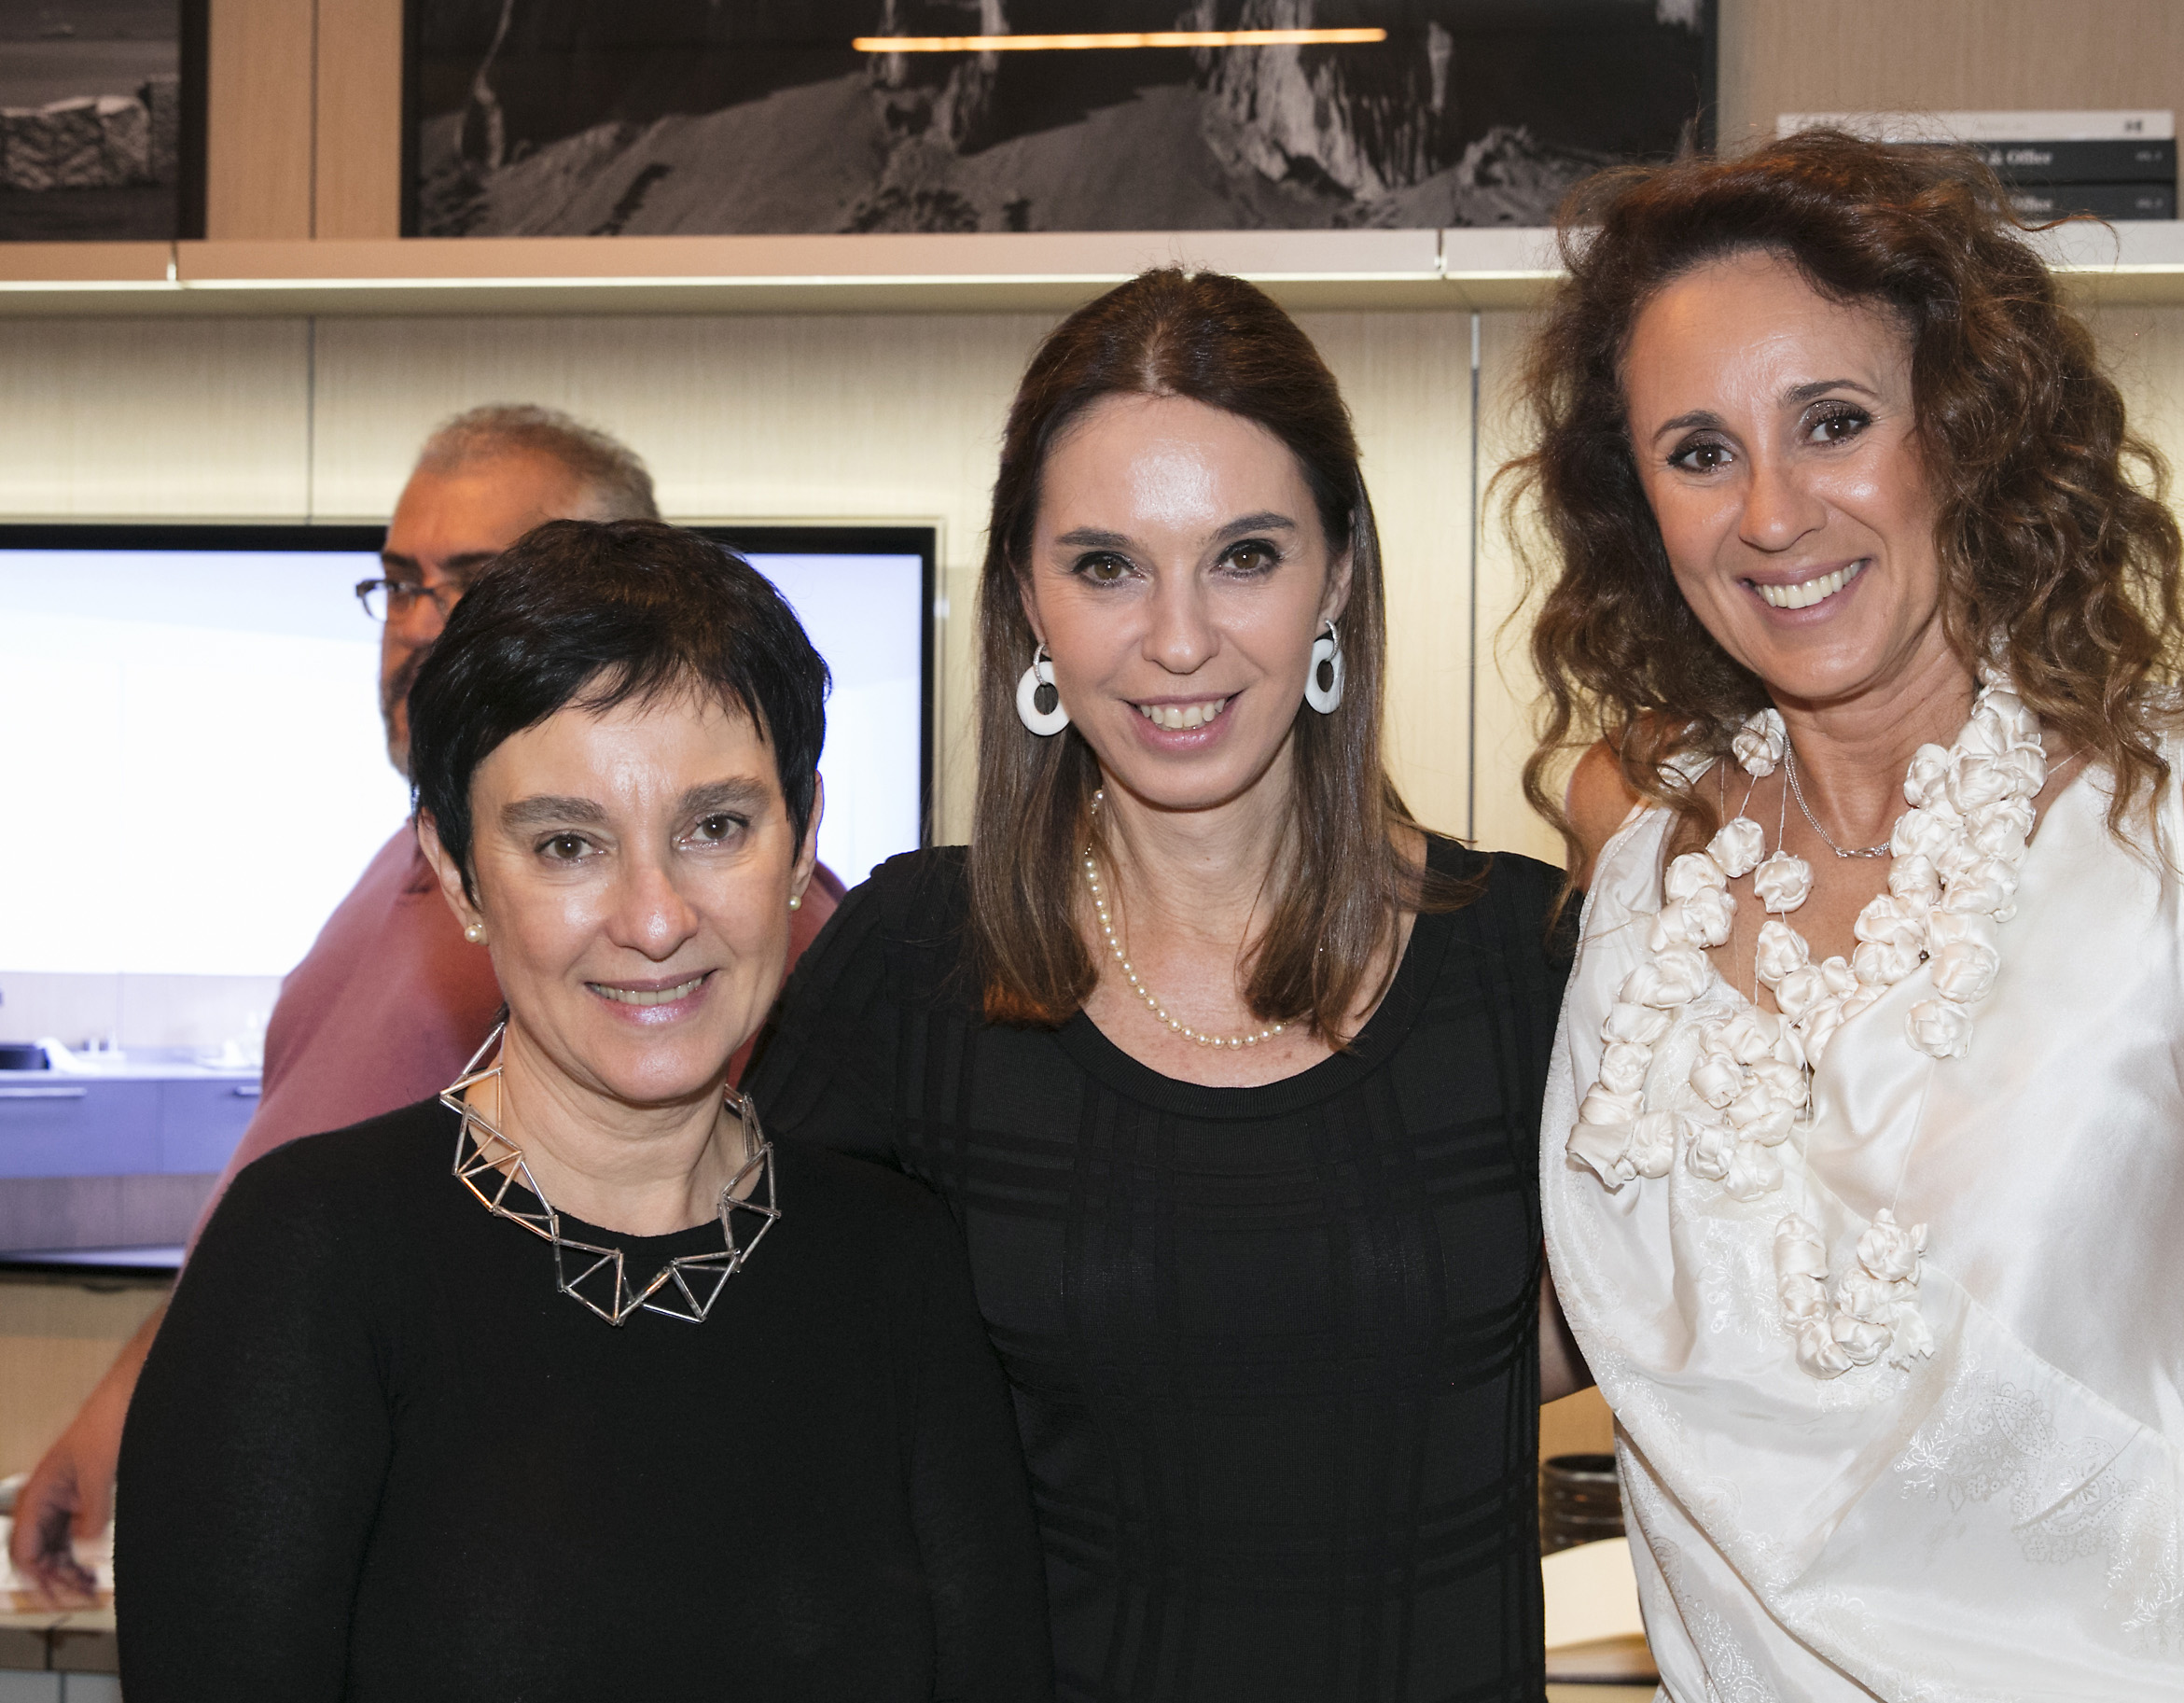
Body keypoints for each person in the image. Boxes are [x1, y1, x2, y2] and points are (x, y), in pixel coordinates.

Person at [1516, 132, 2184, 1699]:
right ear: (1633, 499)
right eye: (1697, 451)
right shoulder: (1638, 859)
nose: (1771, 512)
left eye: (1833, 423)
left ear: (1963, 434)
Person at [747, 269, 1582, 1703]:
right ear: (1026, 595)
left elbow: (1695, 1337)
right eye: (1107, 564)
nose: (1178, 639)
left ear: (1337, 576)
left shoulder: (1533, 957)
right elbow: (737, 1397)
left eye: (1244, 555)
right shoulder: (915, 964)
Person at [115, 522, 1051, 1702]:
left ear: (804, 833)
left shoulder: (896, 1259)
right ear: (455, 872)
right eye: (568, 844)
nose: (654, 919)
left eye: (716, 827)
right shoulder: (315, 1255)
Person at [6, 404, 843, 1601]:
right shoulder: (395, 880)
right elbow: (289, 1197)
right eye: (400, 583)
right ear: (459, 867)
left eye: (476, 583)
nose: (416, 630)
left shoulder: (740, 946)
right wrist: (129, 1400)